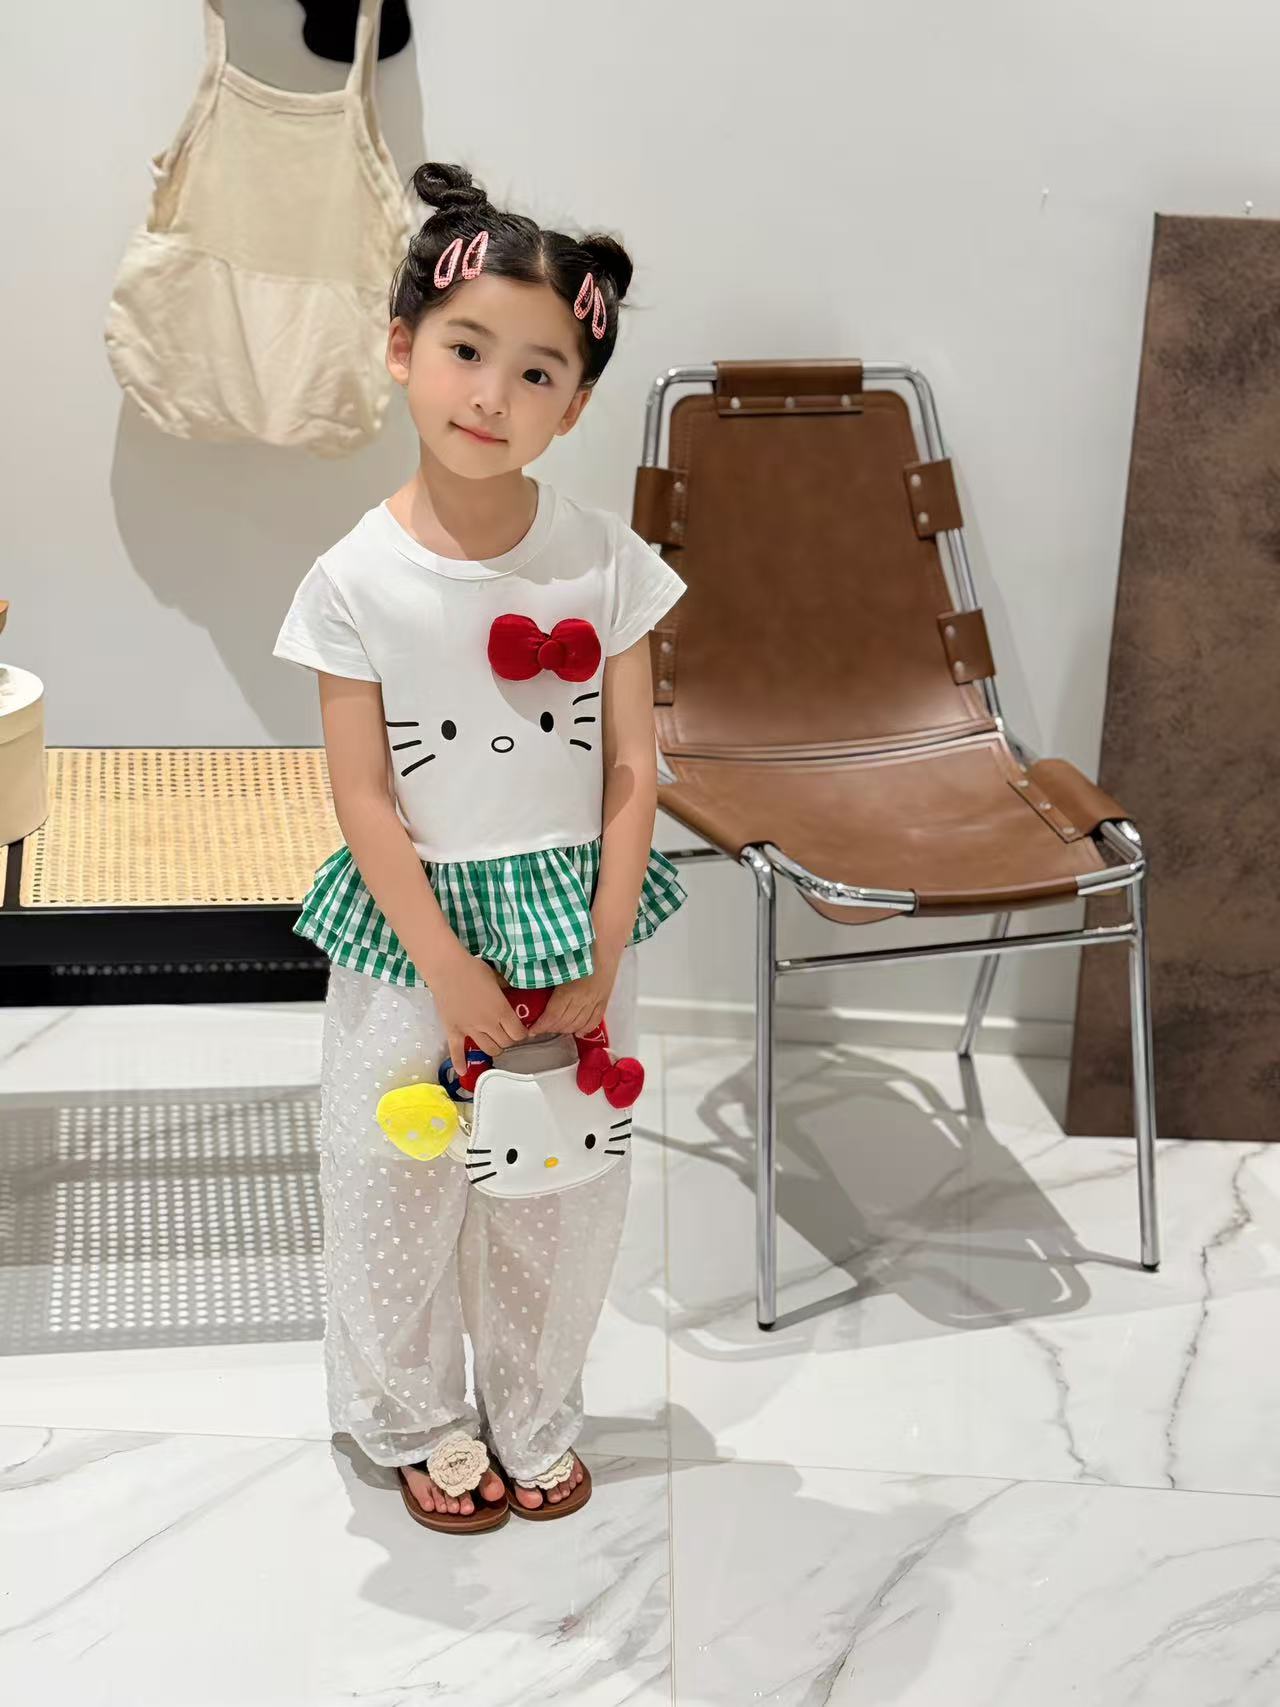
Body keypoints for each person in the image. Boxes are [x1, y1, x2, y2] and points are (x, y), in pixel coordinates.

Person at [273, 161, 687, 1534]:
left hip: (575, 913)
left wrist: (603, 949)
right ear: (402, 349)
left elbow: (632, 769)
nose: (492, 395)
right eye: (465, 351)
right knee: (396, 1175)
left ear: (575, 405)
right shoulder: (352, 578)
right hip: (415, 932)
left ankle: (535, 1405)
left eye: (536, 372)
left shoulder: (610, 562)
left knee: (557, 1180)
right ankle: (413, 1416)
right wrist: (447, 969)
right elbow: (365, 798)